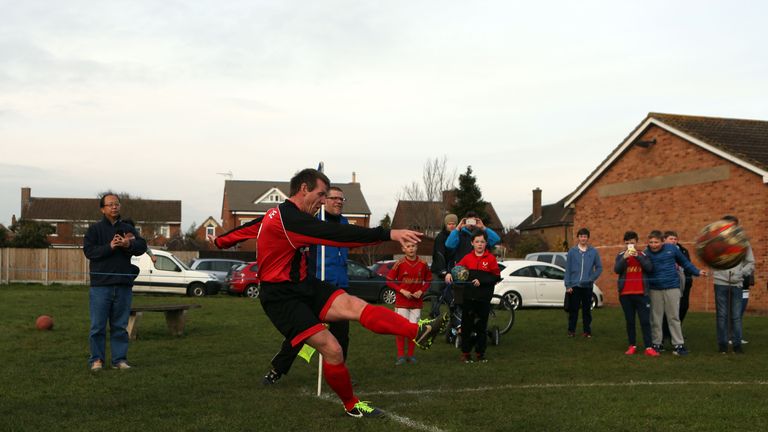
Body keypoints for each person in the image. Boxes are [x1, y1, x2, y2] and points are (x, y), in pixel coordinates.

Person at [210, 169, 446, 418]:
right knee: (332, 349)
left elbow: (239, 233)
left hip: (304, 284)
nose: (323, 201)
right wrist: (388, 233)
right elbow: (340, 235)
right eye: (321, 194)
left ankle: (419, 332)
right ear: (303, 189)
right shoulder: (292, 220)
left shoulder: (275, 214)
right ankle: (352, 406)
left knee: (354, 304)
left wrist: (219, 242)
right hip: (281, 297)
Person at [262, 186, 353, 384]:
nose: (338, 201)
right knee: (301, 332)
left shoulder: (344, 223)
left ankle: (339, 374)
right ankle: (277, 370)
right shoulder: (311, 222)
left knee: (341, 335)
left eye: (341, 199)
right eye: (333, 198)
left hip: (338, 288)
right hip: (313, 287)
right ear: (323, 200)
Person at [83, 193, 147, 371]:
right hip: (100, 286)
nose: (114, 207)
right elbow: (89, 251)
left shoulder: (128, 228)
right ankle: (96, 360)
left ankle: (119, 360)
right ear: (102, 209)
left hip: (123, 285)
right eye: (110, 204)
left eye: (117, 204)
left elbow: (142, 246)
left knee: (120, 326)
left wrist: (128, 244)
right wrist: (110, 247)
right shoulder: (94, 230)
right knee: (98, 327)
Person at [645, 230, 706, 356]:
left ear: (663, 242)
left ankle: (678, 344)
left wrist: (697, 272)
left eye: (656, 242)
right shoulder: (646, 253)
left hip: (672, 287)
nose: (653, 245)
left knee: (673, 317)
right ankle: (657, 344)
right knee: (656, 318)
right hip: (654, 289)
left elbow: (685, 262)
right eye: (651, 242)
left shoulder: (672, 249)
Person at [451, 229, 501, 363]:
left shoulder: (490, 259)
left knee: (481, 328)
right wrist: (450, 274)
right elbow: (457, 270)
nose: (480, 244)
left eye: (482, 242)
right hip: (468, 298)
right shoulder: (467, 258)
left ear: (486, 244)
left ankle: (480, 354)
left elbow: (496, 277)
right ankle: (466, 353)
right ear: (472, 243)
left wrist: (482, 281)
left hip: (483, 299)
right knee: (466, 327)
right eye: (477, 241)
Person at [712, 215, 754, 354]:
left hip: (737, 283)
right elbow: (710, 258)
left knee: (736, 316)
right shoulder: (716, 241)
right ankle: (722, 345)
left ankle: (737, 345)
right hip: (720, 282)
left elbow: (750, 262)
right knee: (722, 315)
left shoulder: (743, 242)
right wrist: (718, 271)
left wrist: (741, 273)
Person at [614, 231, 658, 356]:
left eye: (632, 243)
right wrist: (625, 258)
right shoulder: (621, 255)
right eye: (627, 243)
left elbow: (649, 268)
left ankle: (649, 347)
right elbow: (616, 270)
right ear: (625, 243)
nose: (630, 245)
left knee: (645, 321)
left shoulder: (643, 254)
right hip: (625, 294)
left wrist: (637, 256)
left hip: (641, 293)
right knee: (630, 321)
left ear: (636, 242)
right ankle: (632, 345)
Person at [387, 241, 431, 365]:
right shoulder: (399, 263)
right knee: (401, 328)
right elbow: (389, 281)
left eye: (413, 246)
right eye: (408, 246)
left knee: (413, 329)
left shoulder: (423, 264)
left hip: (416, 302)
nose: (411, 249)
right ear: (403, 249)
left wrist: (421, 291)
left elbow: (428, 280)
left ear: (416, 247)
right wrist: (401, 290)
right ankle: (400, 355)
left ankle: (411, 355)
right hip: (402, 302)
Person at [564, 228, 602, 338]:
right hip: (574, 286)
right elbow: (568, 269)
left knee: (587, 310)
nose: (583, 238)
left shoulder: (593, 252)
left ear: (588, 238)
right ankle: (571, 331)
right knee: (573, 310)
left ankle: (587, 331)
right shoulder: (572, 252)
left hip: (587, 286)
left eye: (585, 236)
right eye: (581, 236)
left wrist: (592, 278)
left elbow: (599, 268)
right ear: (578, 238)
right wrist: (568, 285)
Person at [430, 213, 458, 316]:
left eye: (454, 224)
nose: (451, 226)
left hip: (451, 272)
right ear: (445, 225)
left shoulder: (457, 237)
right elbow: (439, 256)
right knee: (435, 298)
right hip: (438, 272)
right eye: (449, 224)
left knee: (452, 299)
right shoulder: (440, 237)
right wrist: (444, 272)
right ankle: (433, 322)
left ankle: (453, 322)